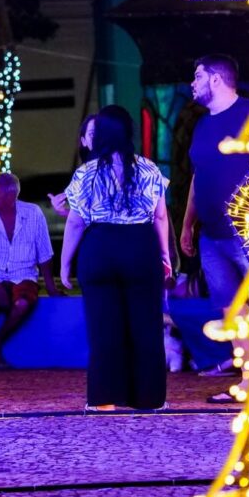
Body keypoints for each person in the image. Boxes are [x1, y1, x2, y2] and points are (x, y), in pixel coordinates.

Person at [61, 105, 172, 411]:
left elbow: (75, 222)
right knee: (146, 328)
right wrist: (164, 255)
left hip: (100, 248)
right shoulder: (149, 169)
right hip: (141, 247)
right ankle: (149, 399)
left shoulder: (86, 173)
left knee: (103, 328)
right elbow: (160, 217)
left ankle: (104, 399)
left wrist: (65, 263)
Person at [180, 54, 249, 402]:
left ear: (215, 79)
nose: (192, 83)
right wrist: (188, 224)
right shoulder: (202, 126)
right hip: (211, 234)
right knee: (231, 308)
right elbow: (199, 177)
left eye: (197, 76)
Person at [0, 173, 62, 370]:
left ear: (11, 196)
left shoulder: (33, 213)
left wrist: (51, 287)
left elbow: (45, 254)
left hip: (23, 274)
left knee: (22, 303)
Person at [48, 114, 96, 217]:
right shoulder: (82, 174)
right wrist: (62, 211)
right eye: (92, 134)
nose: (99, 139)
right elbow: (82, 219)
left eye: (103, 133)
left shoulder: (128, 167)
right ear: (84, 141)